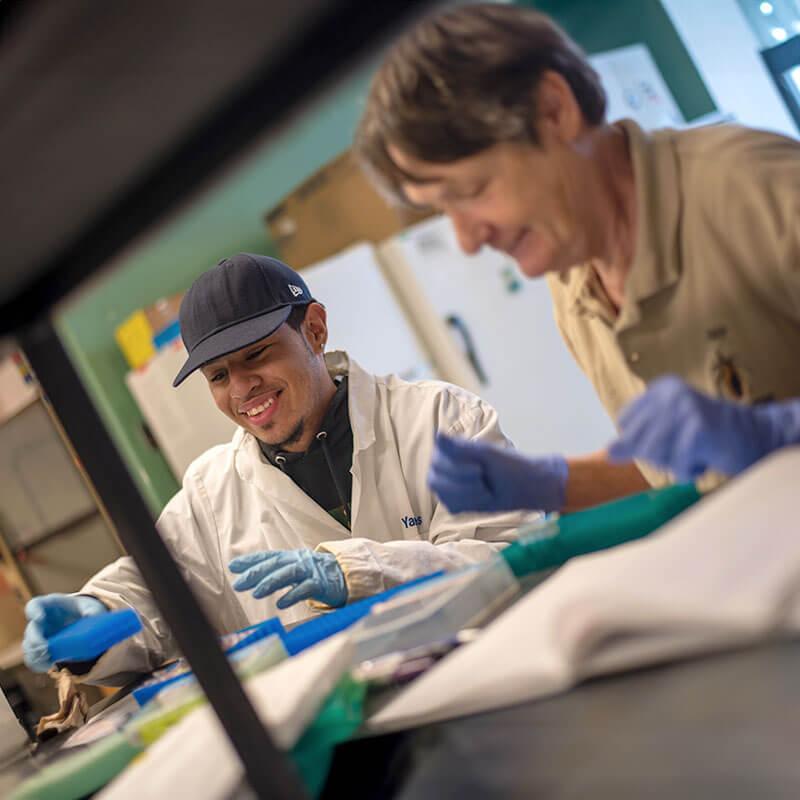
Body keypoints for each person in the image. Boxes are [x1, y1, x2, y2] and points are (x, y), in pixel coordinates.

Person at [354, 2, 800, 513]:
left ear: (553, 110)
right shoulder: (572, 281)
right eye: (441, 210)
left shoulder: (759, 187)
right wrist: (552, 482)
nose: (468, 241)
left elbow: (739, 442)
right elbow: (678, 470)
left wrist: (774, 431)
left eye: (472, 190)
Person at [23, 254, 531, 683]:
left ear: (314, 329)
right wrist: (96, 615)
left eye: (256, 355)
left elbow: (510, 558)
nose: (242, 388)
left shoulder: (440, 419)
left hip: (483, 680)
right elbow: (158, 591)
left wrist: (362, 570)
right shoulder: (211, 491)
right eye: (218, 375)